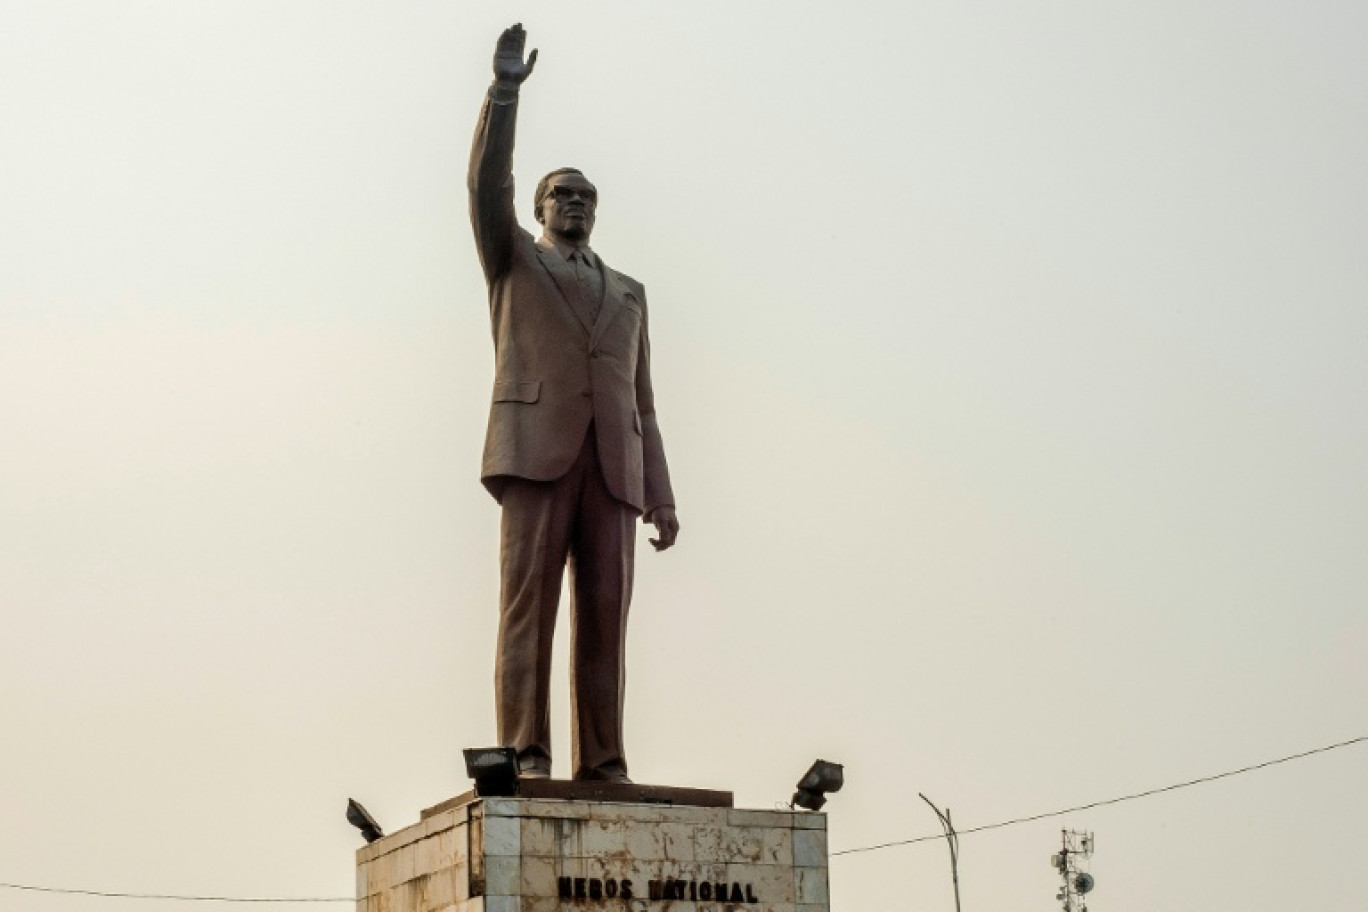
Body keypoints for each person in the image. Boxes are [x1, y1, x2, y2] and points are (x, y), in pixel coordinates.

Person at [467, 23, 679, 784]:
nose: (576, 204)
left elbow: (644, 402)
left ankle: (606, 760)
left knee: (605, 623)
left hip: (615, 470)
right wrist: (504, 95)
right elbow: (485, 186)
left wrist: (661, 493)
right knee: (528, 612)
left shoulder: (629, 292)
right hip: (536, 452)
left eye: (587, 197)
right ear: (538, 206)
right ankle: (525, 751)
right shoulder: (514, 259)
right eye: (563, 194)